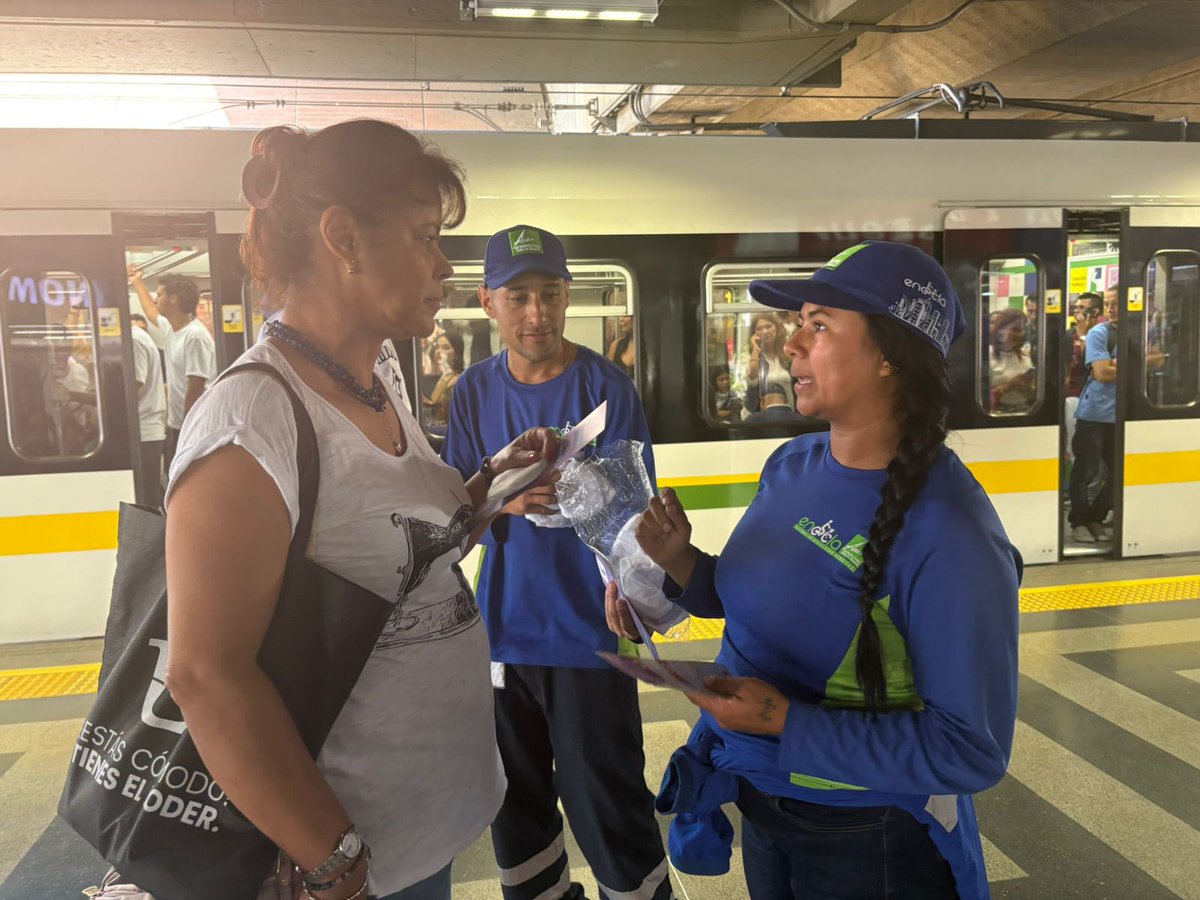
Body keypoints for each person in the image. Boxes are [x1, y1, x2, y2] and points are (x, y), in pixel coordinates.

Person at [157, 120, 555, 900]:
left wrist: (487, 491)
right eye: (425, 238)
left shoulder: (380, 382)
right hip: (347, 859)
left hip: (417, 833)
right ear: (343, 237)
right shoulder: (254, 418)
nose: (443, 266)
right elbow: (204, 673)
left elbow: (400, 555)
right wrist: (333, 858)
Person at [608, 241, 1020, 900]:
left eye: (819, 325)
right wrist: (675, 563)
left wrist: (785, 722)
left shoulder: (953, 535)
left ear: (888, 355)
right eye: (799, 322)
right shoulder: (791, 465)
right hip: (764, 809)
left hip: (874, 840)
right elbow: (748, 600)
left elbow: (970, 749)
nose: (790, 345)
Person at [442, 224, 673, 900]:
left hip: (587, 638)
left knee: (608, 806)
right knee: (514, 814)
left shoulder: (609, 389)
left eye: (549, 294)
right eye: (518, 297)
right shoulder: (472, 394)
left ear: (569, 295)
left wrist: (636, 600)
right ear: (487, 302)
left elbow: (637, 523)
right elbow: (454, 522)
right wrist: (503, 501)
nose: (535, 313)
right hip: (503, 636)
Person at [130, 269, 218, 469]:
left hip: (193, 426)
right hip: (176, 424)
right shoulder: (171, 328)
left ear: (173, 299)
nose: (155, 299)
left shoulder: (195, 336)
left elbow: (195, 388)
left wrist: (187, 431)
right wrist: (137, 281)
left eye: (159, 294)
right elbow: (150, 311)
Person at [1069, 285, 1120, 543]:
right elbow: (1101, 373)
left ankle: (1095, 517)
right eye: (1109, 304)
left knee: (1121, 471)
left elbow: (1159, 360)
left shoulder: (1138, 331)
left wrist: (1115, 366)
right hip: (1094, 414)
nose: (1111, 309)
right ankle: (1078, 521)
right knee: (1085, 471)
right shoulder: (1100, 332)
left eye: (1116, 303)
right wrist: (1135, 366)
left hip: (1122, 416)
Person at [131, 307, 167, 507]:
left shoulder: (134, 340)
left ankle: (153, 539)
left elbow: (134, 385)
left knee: (146, 500)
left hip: (144, 430)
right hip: (145, 430)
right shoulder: (137, 338)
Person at [988, 307, 1036, 413]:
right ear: (1000, 330)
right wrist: (1008, 386)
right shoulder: (987, 356)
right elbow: (981, 396)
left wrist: (1029, 387)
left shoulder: (1025, 356)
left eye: (1023, 330)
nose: (1021, 334)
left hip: (1024, 410)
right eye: (1015, 329)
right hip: (997, 412)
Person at [744, 311, 793, 413]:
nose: (765, 331)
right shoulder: (754, 357)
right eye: (759, 329)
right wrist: (756, 349)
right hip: (761, 416)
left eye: (768, 326)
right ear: (754, 333)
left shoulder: (787, 355)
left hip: (789, 413)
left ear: (777, 329)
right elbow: (752, 376)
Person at [422, 329, 464, 434]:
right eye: (437, 347)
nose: (438, 351)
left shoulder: (458, 382)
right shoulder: (443, 378)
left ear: (457, 353)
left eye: (445, 348)